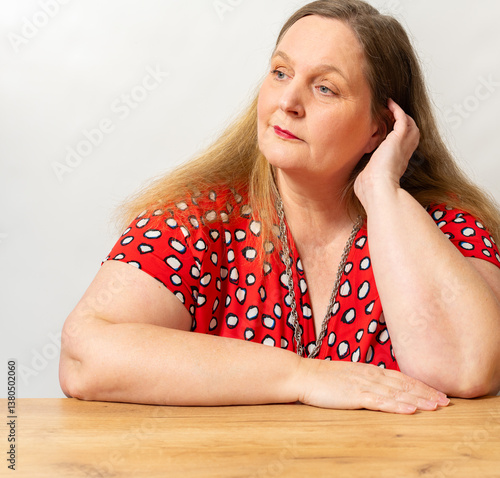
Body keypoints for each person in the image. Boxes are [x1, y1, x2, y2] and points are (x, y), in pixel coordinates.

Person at [59, 0, 500, 414]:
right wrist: (303, 376)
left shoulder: (441, 225)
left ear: (378, 130)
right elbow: (84, 357)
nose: (287, 102)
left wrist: (382, 190)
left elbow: (470, 367)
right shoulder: (200, 221)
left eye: (325, 88)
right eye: (280, 73)